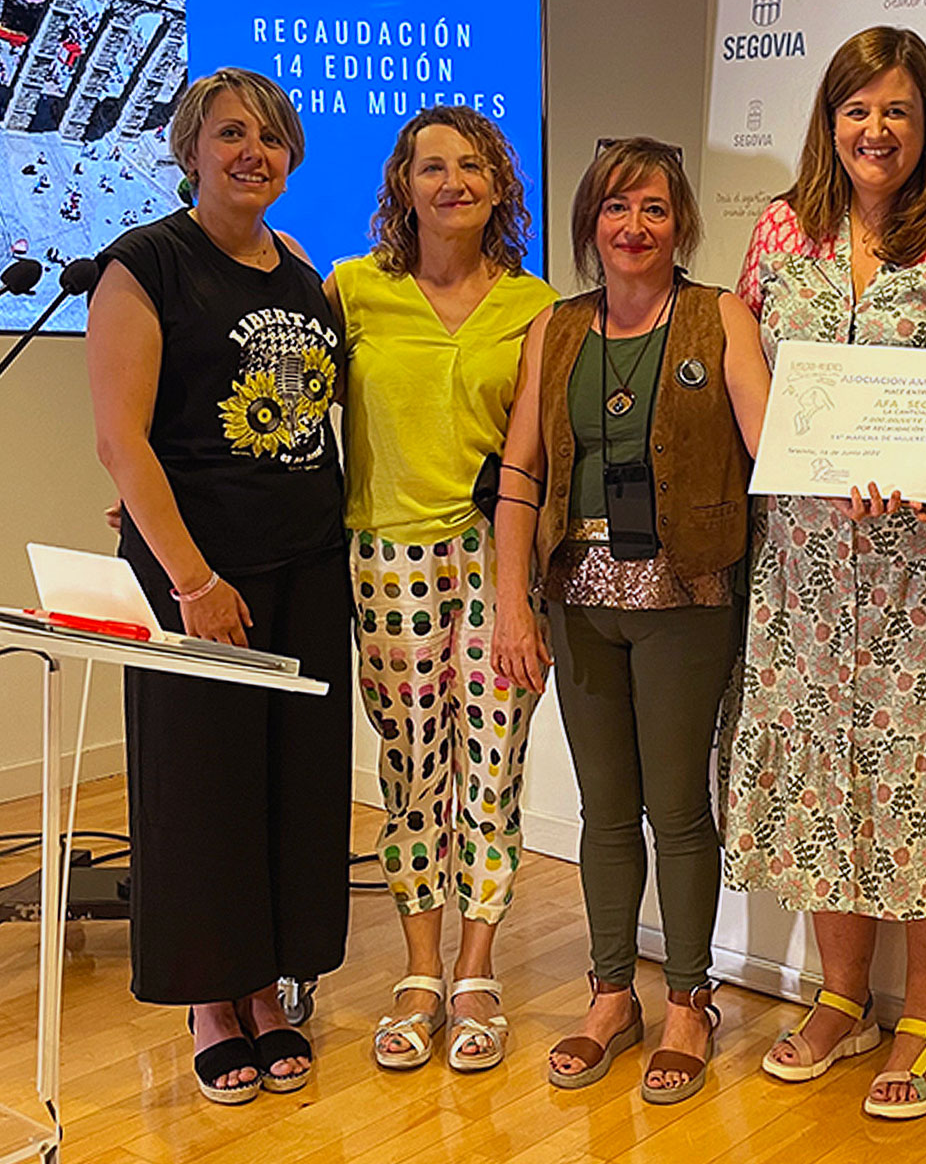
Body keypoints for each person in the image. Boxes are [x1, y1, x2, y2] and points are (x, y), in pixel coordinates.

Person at [719, 25, 926, 1120]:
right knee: (824, 778)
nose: (876, 129)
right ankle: (840, 994)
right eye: (858, 108)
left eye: (897, 109)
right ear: (829, 118)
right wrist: (786, 454)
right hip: (809, 570)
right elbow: (747, 359)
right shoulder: (781, 231)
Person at [88, 67, 350, 1104]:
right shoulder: (144, 264)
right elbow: (122, 440)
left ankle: (271, 985)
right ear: (190, 148)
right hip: (198, 581)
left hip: (306, 566)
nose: (255, 152)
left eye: (273, 138)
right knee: (202, 790)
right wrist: (192, 579)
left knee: (291, 781)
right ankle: (212, 997)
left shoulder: (300, 270)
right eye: (232, 134)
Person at [491, 137, 769, 1103]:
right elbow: (522, 469)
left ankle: (689, 1000)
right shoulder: (554, 329)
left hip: (687, 595)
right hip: (576, 599)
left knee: (677, 807)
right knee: (604, 811)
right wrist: (511, 602)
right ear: (589, 225)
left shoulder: (720, 315)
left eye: (653, 208)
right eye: (616, 208)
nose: (634, 227)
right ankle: (612, 995)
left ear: (680, 220)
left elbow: (768, 447)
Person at [326, 106, 556, 1073]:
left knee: (492, 767)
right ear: (403, 186)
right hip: (388, 560)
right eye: (432, 167)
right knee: (412, 765)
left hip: (492, 559)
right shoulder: (351, 291)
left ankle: (474, 970)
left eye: (471, 166)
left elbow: (532, 460)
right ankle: (418, 969)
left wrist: (520, 598)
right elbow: (282, 421)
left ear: (500, 186)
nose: (452, 181)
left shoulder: (534, 306)